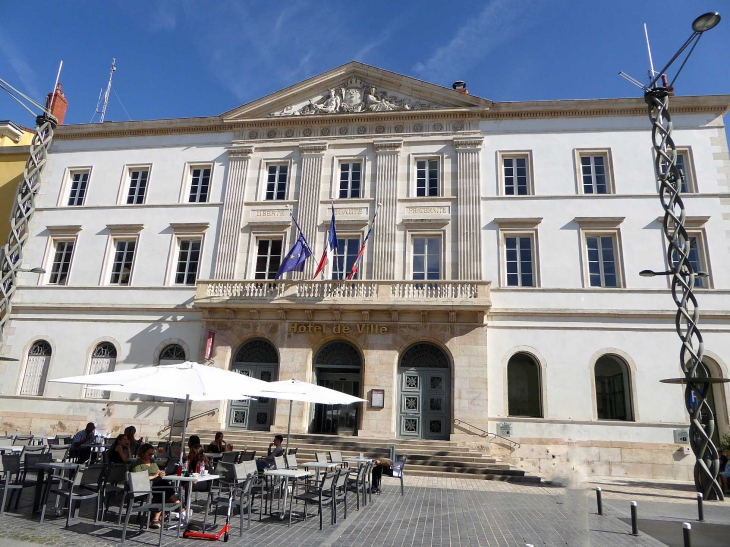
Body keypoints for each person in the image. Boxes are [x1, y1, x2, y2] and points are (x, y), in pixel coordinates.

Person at [131, 443, 180, 528]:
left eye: (152, 454)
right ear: (142, 453)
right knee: (163, 486)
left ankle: (155, 519)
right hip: (144, 486)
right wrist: (154, 476)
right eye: (149, 454)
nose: (151, 456)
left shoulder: (152, 462)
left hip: (155, 485)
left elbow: (157, 472)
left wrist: (161, 473)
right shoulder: (138, 465)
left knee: (163, 488)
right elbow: (139, 479)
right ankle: (176, 503)